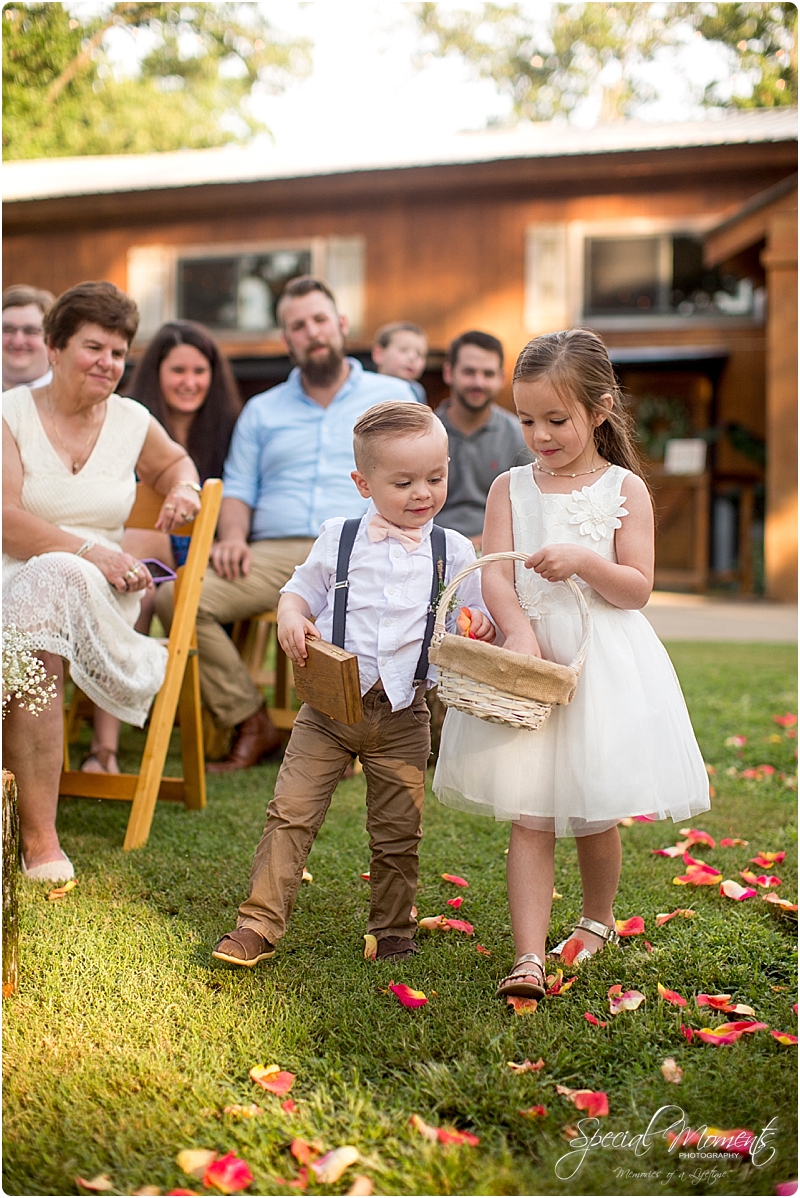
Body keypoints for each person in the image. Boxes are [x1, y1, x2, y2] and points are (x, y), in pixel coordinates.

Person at [433, 328, 710, 1001]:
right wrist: (520, 631)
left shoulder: (624, 490)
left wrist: (584, 560)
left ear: (599, 409)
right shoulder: (508, 487)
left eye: (556, 420)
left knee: (593, 808)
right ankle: (527, 957)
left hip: (601, 660)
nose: (540, 435)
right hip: (532, 661)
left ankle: (596, 920)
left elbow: (636, 587)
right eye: (527, 420)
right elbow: (496, 575)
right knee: (529, 811)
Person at [212, 401, 494, 968]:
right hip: (329, 710)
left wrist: (481, 625)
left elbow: (480, 614)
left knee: (397, 832)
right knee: (290, 813)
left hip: (405, 713)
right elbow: (297, 591)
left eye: (435, 478)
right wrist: (293, 617)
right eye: (404, 481)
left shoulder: (455, 551)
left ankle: (392, 928)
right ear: (362, 483)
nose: (423, 493)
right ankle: (258, 924)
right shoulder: (339, 538)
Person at [155, 275, 417, 773]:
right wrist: (233, 536)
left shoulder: (392, 394)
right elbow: (238, 486)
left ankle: (355, 733)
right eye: (298, 326)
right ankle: (249, 718)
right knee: (179, 598)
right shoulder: (261, 409)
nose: (312, 332)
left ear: (340, 325)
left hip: (361, 544)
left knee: (370, 607)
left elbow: (417, 470)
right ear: (286, 339)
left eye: (320, 320)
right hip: (276, 552)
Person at [2, 281, 202, 882]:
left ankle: (36, 836)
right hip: (15, 578)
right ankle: (36, 831)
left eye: (118, 352)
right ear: (55, 347)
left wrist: (186, 489)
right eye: (95, 347)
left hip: (106, 597)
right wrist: (93, 549)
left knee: (55, 580)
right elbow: (7, 522)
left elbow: (173, 464)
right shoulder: (9, 413)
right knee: (45, 585)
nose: (108, 363)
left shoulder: (132, 420)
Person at [82, 319, 243, 774]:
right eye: (177, 371)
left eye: (199, 371)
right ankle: (105, 749)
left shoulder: (231, 427)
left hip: (208, 557)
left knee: (142, 568)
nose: (189, 382)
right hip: (138, 551)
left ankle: (108, 739)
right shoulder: (125, 422)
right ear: (156, 372)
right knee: (140, 582)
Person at [434, 331, 532, 549]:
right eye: (469, 372)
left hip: (497, 551)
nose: (478, 382)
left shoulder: (521, 435)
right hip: (429, 549)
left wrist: (476, 545)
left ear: (501, 378)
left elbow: (529, 512)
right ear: (449, 372)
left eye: (488, 374)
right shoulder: (422, 434)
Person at [3, 284, 55, 391]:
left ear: (52, 339)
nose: (18, 341)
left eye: (31, 331)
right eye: (8, 330)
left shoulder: (70, 397)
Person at [371, 321, 428, 402]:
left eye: (419, 354)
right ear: (379, 354)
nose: (412, 358)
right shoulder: (367, 388)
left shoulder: (417, 391)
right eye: (403, 350)